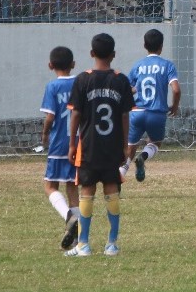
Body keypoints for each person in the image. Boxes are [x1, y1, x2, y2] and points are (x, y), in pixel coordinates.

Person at [67, 33, 135, 257]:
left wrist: (72, 144)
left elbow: (75, 114)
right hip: (112, 146)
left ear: (91, 53)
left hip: (88, 146)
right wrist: (125, 146)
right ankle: (112, 244)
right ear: (113, 55)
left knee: (87, 191)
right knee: (111, 190)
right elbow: (125, 116)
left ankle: (83, 245)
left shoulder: (82, 80)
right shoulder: (121, 80)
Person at [120, 29, 181, 183]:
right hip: (157, 113)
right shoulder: (167, 65)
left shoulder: (138, 65)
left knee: (130, 147)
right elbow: (176, 89)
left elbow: (127, 90)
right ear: (161, 46)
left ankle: (119, 176)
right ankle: (143, 157)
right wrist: (174, 105)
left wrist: (135, 91)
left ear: (144, 45)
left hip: (137, 112)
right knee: (155, 142)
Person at [39, 46, 81, 252]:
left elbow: (50, 116)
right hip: (77, 143)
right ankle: (76, 241)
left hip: (58, 144)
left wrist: (45, 133)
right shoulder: (79, 83)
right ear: (73, 64)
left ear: (50, 65)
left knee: (50, 186)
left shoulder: (52, 87)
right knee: (73, 187)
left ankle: (68, 216)